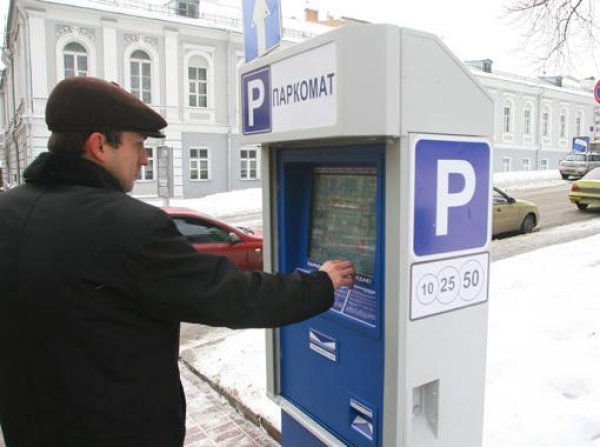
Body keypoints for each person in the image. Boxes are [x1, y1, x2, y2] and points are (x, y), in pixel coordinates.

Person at [0, 77, 355, 446]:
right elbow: (231, 297)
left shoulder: (7, 210)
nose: (144, 158)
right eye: (138, 144)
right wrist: (320, 284)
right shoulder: (129, 226)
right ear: (99, 144)